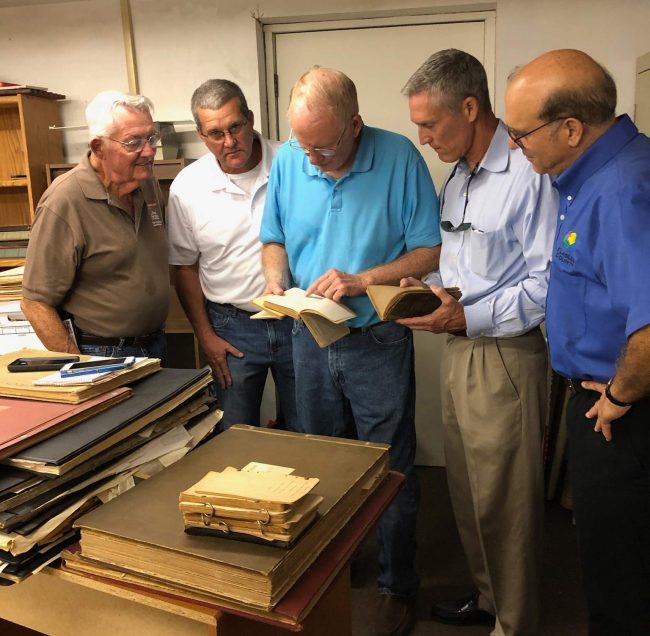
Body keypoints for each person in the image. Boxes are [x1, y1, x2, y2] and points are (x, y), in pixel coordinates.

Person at [260, 66, 441, 636]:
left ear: (355, 126)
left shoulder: (400, 158)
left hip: (376, 341)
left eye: (324, 147)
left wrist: (362, 280)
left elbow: (427, 251)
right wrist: (274, 280)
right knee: (320, 464)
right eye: (302, 145)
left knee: (387, 467)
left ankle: (396, 585)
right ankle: (334, 571)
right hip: (309, 334)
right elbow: (274, 238)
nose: (311, 159)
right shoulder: (291, 158)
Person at [399, 49, 557, 636]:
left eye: (430, 123)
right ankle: (490, 600)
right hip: (460, 349)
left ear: (470, 108)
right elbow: (464, 264)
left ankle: (516, 623)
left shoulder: (526, 174)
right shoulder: (458, 177)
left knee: (506, 503)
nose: (422, 137)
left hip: (505, 357)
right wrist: (428, 289)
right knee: (467, 492)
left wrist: (467, 317)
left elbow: (546, 283)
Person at [505, 49, 650, 636]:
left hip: (624, 417)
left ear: (571, 128)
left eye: (521, 134)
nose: (516, 147)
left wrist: (618, 394)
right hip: (606, 400)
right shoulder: (589, 176)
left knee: (622, 579)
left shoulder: (619, 190)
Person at [167, 79, 296, 430]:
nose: (229, 142)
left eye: (235, 127)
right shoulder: (187, 188)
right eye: (215, 133)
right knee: (233, 435)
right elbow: (184, 268)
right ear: (200, 135)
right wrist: (205, 336)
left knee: (308, 430)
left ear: (250, 118)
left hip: (297, 320)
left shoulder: (293, 162)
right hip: (231, 326)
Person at [22, 90, 169, 362]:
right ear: (99, 147)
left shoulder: (146, 184)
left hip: (154, 344)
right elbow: (34, 303)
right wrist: (80, 368)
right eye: (133, 142)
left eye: (151, 138)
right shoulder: (64, 201)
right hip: (101, 354)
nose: (148, 151)